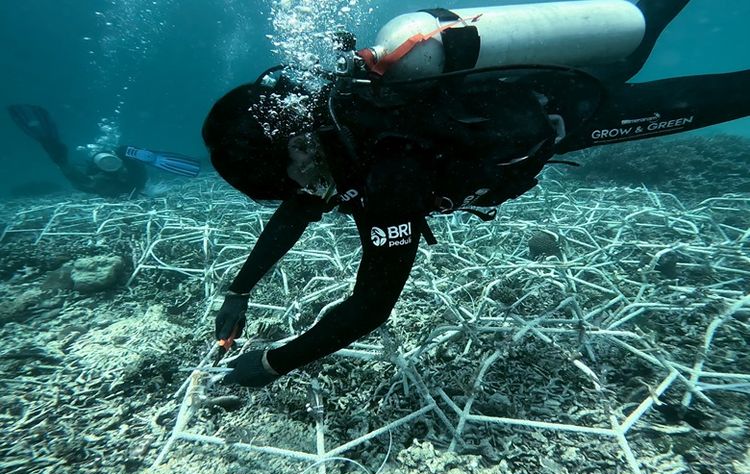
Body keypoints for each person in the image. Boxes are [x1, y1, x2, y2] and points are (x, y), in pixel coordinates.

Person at [202, 0, 750, 387]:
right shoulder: (340, 119)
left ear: (298, 151)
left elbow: (370, 308)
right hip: (546, 73)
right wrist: (240, 290)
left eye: (290, 181)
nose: (303, 193)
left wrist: (272, 364)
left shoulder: (389, 177)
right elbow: (297, 212)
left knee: (733, 93)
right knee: (645, 17)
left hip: (578, 111)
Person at [7, 104, 201, 197]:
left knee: (126, 165)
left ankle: (126, 153)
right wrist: (60, 159)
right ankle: (127, 153)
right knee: (126, 169)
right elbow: (74, 175)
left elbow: (73, 175)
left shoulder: (101, 181)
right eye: (107, 164)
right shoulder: (98, 181)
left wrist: (60, 159)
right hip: (129, 183)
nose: (111, 166)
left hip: (130, 182)